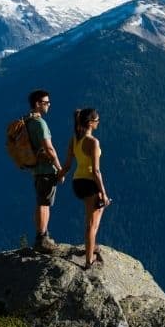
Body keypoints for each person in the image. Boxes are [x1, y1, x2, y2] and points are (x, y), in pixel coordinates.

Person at [61, 108, 111, 268]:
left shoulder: (74, 139)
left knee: (91, 221)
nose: (98, 123)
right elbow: (96, 170)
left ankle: (91, 246)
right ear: (90, 122)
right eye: (97, 120)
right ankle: (89, 260)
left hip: (78, 182)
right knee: (92, 223)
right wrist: (103, 193)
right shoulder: (93, 142)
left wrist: (59, 176)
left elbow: (68, 164)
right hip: (90, 183)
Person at [26, 89, 64, 253]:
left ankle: (42, 235)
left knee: (41, 201)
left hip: (35, 168)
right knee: (44, 204)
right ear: (37, 104)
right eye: (46, 102)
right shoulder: (40, 123)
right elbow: (49, 148)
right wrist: (59, 167)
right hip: (46, 169)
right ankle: (42, 239)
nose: (49, 105)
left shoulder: (29, 121)